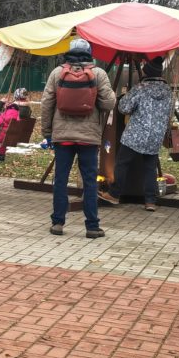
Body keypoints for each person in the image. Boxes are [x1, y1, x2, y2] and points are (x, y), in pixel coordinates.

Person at [41, 38, 115, 239]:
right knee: (90, 182)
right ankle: (92, 226)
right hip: (88, 138)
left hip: (62, 137)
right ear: (89, 53)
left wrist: (47, 132)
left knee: (60, 179)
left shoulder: (57, 73)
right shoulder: (98, 74)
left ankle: (57, 222)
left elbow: (46, 103)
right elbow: (109, 103)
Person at [97, 57, 172, 212]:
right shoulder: (167, 91)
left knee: (122, 163)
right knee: (150, 168)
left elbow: (123, 107)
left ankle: (114, 194)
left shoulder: (140, 88)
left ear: (147, 73)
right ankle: (150, 201)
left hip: (135, 134)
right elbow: (169, 112)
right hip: (155, 136)